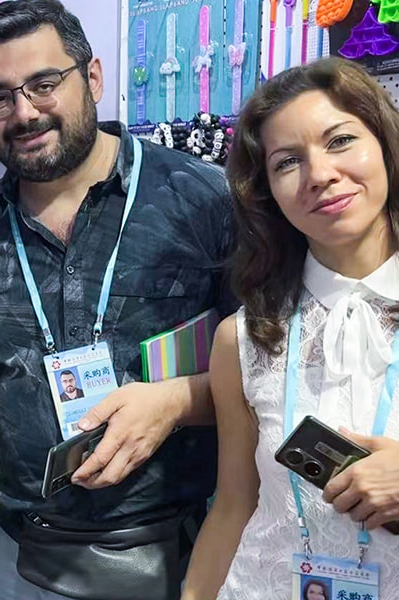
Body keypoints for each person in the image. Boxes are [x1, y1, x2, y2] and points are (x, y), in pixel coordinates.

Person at [0, 1, 235, 598]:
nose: (24, 112)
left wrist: (179, 400)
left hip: (183, 549)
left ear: (93, 77)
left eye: (44, 84)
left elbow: (273, 365)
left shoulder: (203, 199)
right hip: (14, 555)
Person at [181, 58, 399, 599]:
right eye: (288, 162)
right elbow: (234, 505)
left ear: (385, 144)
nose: (320, 174)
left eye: (340, 140)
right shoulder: (245, 337)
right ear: (267, 192)